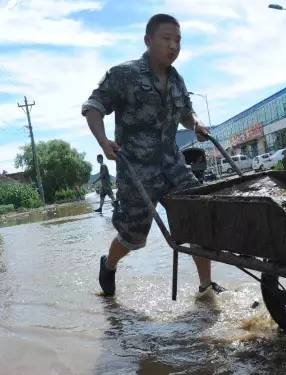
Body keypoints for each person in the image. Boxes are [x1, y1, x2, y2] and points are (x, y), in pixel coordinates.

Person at [82, 13, 223, 297]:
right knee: (133, 237)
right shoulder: (124, 74)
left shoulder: (177, 80)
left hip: (174, 166)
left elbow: (185, 113)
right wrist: (103, 141)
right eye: (167, 39)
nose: (174, 46)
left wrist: (195, 125)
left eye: (178, 40)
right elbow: (93, 107)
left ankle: (205, 286)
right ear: (148, 41)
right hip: (136, 171)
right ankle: (108, 264)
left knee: (196, 219)